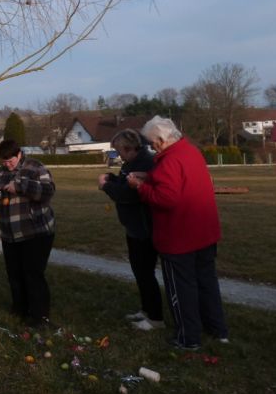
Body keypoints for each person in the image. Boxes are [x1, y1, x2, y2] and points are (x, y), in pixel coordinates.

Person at [127, 116, 229, 350]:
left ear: (162, 140)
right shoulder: (190, 152)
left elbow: (166, 199)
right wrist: (149, 177)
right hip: (204, 232)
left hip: (179, 237)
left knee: (182, 289)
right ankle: (218, 329)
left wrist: (141, 187)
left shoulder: (168, 161)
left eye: (152, 143)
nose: (152, 147)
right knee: (207, 284)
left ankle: (188, 337)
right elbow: (176, 182)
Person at [0, 140, 56, 326]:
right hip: (10, 234)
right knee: (14, 274)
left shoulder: (35, 167)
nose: (7, 164)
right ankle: (20, 309)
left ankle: (39, 316)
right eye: (4, 161)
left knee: (33, 274)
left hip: (36, 232)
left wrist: (21, 186)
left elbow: (48, 191)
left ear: (19, 154)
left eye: (10, 161)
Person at [98, 129, 164, 330]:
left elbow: (128, 194)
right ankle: (146, 309)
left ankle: (156, 317)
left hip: (144, 228)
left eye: (119, 152)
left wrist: (105, 187)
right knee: (139, 271)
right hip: (134, 227)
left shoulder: (145, 163)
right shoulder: (132, 163)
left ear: (129, 149)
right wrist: (111, 178)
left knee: (145, 272)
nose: (118, 156)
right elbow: (123, 181)